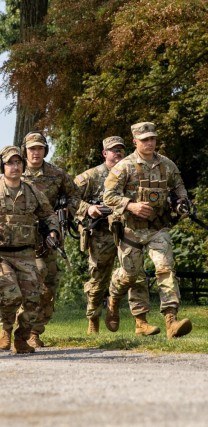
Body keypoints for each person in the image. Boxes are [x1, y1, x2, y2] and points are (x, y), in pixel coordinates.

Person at [103, 122, 192, 339]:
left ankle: (171, 320)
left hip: (157, 228)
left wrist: (181, 202)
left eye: (152, 139)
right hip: (130, 230)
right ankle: (118, 303)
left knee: (165, 268)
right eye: (144, 140)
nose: (149, 143)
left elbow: (179, 187)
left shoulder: (167, 165)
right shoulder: (124, 166)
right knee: (131, 275)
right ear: (135, 141)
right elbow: (108, 196)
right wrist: (131, 205)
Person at [0, 146, 59, 354]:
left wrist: (53, 232)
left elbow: (49, 215)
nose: (15, 167)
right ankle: (5, 328)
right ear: (1, 166)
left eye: (18, 162)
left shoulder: (32, 192)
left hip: (26, 254)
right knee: (11, 293)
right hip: (0, 255)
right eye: (10, 163)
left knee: (33, 298)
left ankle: (22, 338)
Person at [20, 131, 81, 348]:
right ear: (24, 151)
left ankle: (35, 331)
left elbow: (75, 195)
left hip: (49, 238)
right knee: (28, 284)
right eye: (31, 149)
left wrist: (66, 212)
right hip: (22, 239)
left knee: (48, 287)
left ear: (45, 150)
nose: (36, 153)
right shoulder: (15, 173)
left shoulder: (57, 174)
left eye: (40, 148)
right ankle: (19, 329)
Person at [74, 137, 125, 334]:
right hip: (100, 234)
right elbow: (68, 196)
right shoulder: (91, 176)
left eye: (120, 149)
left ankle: (114, 302)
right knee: (97, 279)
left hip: (126, 231)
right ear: (105, 153)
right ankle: (93, 318)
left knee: (132, 274)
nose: (118, 153)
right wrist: (88, 209)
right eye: (113, 150)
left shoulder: (130, 173)